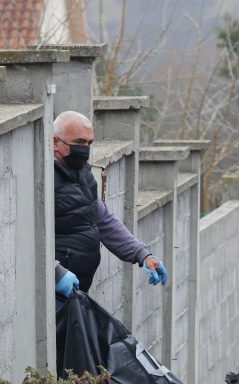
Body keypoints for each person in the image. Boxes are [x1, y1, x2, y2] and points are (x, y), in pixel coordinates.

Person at [52, 110, 167, 297]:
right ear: (55, 141)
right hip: (54, 292)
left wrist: (142, 254)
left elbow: (104, 220)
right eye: (79, 143)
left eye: (89, 143)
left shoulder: (83, 175)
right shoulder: (43, 180)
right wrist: (55, 273)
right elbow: (27, 240)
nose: (85, 150)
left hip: (76, 293)